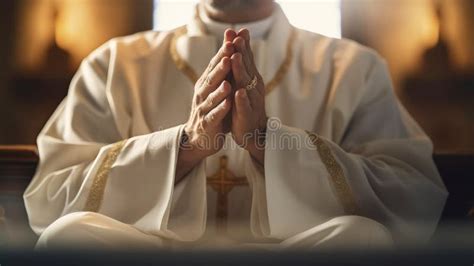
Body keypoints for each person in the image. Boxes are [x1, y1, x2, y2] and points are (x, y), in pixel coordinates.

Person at [24, 0, 447, 250]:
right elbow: (49, 197)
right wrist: (186, 146)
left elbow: (412, 195)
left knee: (362, 239)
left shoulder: (353, 68)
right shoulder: (114, 63)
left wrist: (267, 142)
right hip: (154, 255)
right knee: (68, 235)